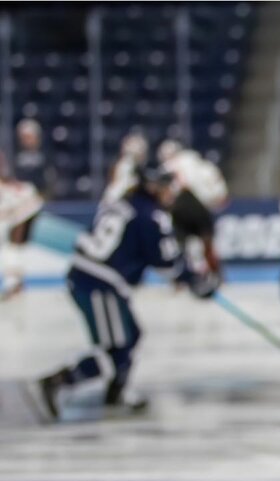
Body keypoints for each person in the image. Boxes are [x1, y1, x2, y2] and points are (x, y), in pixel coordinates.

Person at [38, 165, 218, 419]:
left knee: (131, 336)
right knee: (116, 346)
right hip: (100, 282)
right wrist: (195, 280)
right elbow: (166, 262)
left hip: (93, 278)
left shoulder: (124, 203)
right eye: (167, 187)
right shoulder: (152, 215)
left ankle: (115, 393)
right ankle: (59, 381)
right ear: (154, 187)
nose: (171, 193)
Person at [157, 139, 229, 277]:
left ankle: (181, 278)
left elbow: (164, 192)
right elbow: (221, 194)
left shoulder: (170, 166)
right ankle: (216, 274)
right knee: (207, 243)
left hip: (182, 206)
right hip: (200, 208)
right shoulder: (203, 165)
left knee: (181, 245)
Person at [0, 153, 44, 301]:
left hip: (8, 232)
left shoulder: (19, 189)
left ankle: (13, 283)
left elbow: (32, 205)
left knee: (11, 249)